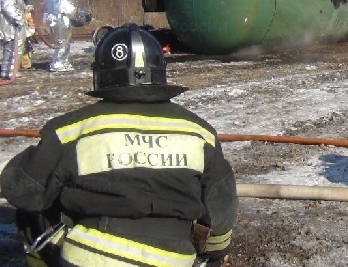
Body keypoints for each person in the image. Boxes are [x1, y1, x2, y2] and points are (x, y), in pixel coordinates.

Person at [0, 23, 238, 266]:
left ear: (100, 75)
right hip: (173, 258)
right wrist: (213, 252)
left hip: (91, 256)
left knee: (30, 216)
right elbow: (222, 203)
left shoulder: (73, 130)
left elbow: (23, 189)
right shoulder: (200, 133)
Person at [43, 0, 80, 72]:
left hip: (55, 22)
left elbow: (47, 11)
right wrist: (77, 13)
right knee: (62, 43)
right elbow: (71, 11)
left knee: (62, 43)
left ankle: (63, 61)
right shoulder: (62, 0)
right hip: (61, 23)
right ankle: (58, 63)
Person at [0, 0, 28, 80]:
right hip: (12, 26)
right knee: (16, 47)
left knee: (9, 47)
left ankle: (6, 70)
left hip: (8, 25)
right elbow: (8, 7)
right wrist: (19, 19)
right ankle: (11, 70)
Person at [20, 0, 36, 70]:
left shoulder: (28, 13)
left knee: (26, 50)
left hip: (27, 35)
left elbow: (32, 25)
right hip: (22, 34)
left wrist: (30, 34)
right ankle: (22, 64)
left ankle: (26, 64)